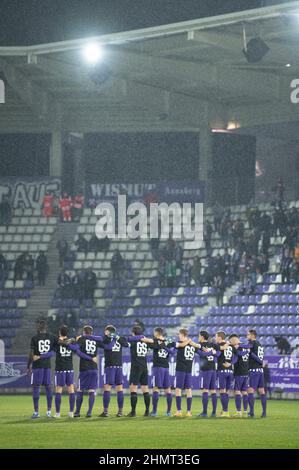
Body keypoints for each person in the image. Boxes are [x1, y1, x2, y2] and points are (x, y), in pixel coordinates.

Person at [35, 325, 93, 418]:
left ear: (59, 332)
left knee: (58, 390)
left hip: (60, 369)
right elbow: (76, 350)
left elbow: (52, 352)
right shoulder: (72, 342)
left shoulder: (56, 341)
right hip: (69, 368)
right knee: (71, 389)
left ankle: (57, 413)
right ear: (67, 333)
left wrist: (40, 356)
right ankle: (71, 413)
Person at [73, 325, 114, 418]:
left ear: (84, 332)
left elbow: (75, 350)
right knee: (92, 390)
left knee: (80, 389)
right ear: (91, 332)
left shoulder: (81, 339)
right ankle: (89, 412)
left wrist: (75, 340)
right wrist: (115, 340)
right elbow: (107, 347)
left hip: (84, 368)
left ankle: (77, 412)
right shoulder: (95, 340)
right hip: (94, 368)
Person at [27, 318, 57, 419]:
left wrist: (28, 366)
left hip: (37, 366)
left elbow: (31, 354)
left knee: (36, 387)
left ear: (38, 327)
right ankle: (48, 412)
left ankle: (36, 412)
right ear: (46, 327)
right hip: (47, 366)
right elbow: (55, 350)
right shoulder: (52, 337)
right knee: (48, 387)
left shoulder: (34, 338)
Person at [189, 330, 219, 418]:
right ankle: (213, 412)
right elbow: (218, 353)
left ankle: (205, 412)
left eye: (199, 336)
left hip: (206, 370)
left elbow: (201, 354)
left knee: (205, 390)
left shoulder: (200, 346)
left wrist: (206, 352)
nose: (198, 338)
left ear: (202, 337)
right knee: (213, 390)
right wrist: (212, 352)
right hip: (213, 369)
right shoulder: (213, 345)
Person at [127, 325, 152, 418]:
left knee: (133, 388)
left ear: (133, 332)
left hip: (136, 366)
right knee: (145, 389)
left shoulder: (134, 340)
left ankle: (133, 412)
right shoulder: (145, 341)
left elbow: (127, 341)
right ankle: (147, 411)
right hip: (144, 366)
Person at [148, 328, 174, 417]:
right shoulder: (168, 342)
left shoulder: (155, 341)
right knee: (168, 389)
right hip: (166, 367)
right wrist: (165, 345)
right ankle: (169, 412)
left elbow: (152, 346)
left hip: (158, 367)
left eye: (154, 332)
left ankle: (154, 411)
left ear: (157, 333)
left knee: (156, 388)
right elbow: (172, 352)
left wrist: (161, 345)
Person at [172, 328, 195, 418]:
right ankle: (189, 411)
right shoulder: (191, 344)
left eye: (179, 334)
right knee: (188, 389)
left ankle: (179, 411)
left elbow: (179, 346)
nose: (178, 335)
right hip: (188, 370)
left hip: (180, 369)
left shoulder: (180, 343)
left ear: (182, 334)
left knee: (178, 389)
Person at [246, 329, 267, 418]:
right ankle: (264, 412)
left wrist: (260, 361)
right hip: (260, 371)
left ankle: (251, 412)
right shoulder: (260, 344)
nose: (247, 336)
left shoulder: (252, 343)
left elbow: (251, 354)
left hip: (254, 370)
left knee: (250, 390)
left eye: (248, 335)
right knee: (261, 390)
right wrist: (261, 362)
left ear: (252, 335)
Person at [214, 331, 236, 418]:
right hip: (230, 371)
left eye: (216, 336)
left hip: (222, 371)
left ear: (219, 337)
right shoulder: (230, 346)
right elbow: (237, 356)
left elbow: (218, 353)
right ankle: (225, 411)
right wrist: (231, 364)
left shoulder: (217, 346)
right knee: (226, 392)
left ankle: (225, 412)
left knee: (222, 392)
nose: (215, 338)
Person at [229, 334, 250, 418]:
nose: (231, 343)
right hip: (246, 372)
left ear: (235, 339)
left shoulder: (237, 348)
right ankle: (245, 411)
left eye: (231, 341)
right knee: (244, 391)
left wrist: (230, 363)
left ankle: (238, 412)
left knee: (237, 391)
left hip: (239, 372)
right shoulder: (245, 346)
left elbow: (236, 357)